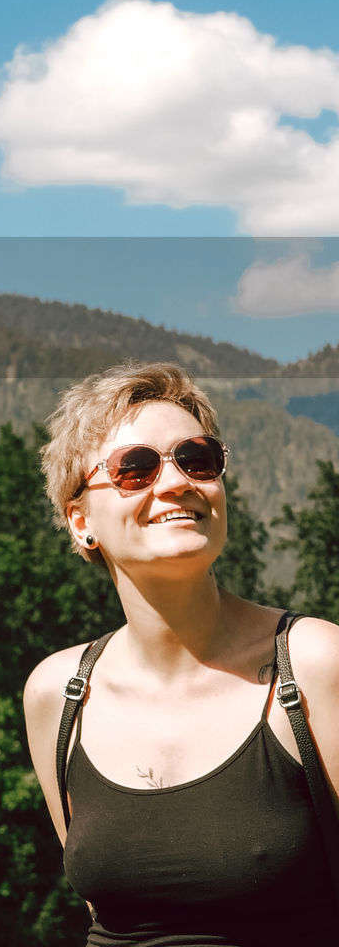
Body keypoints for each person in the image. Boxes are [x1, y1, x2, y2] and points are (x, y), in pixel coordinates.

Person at [23, 361, 339, 946]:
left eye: (198, 460)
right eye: (134, 469)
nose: (175, 483)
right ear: (80, 520)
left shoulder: (316, 666)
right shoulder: (59, 694)